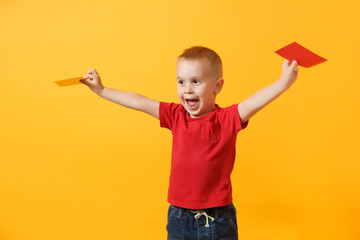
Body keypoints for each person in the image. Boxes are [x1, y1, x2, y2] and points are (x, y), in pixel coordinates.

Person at [80, 46, 298, 240]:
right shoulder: (176, 115)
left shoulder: (227, 119)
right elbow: (139, 101)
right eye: (181, 81)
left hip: (216, 219)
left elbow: (255, 100)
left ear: (218, 86)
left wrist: (284, 82)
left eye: (196, 81)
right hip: (178, 217)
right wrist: (102, 90)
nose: (187, 89)